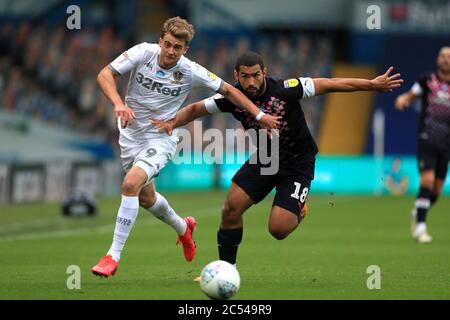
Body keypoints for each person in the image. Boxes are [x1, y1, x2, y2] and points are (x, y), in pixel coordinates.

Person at [152, 51, 403, 268]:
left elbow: (329, 83)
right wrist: (172, 122)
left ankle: (298, 209)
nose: (251, 81)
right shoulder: (232, 97)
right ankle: (227, 269)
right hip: (266, 157)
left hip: (298, 162)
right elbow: (196, 109)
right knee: (230, 209)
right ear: (236, 75)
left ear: (265, 72)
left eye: (256, 75)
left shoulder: (286, 88)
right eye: (245, 76)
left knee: (278, 230)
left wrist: (371, 84)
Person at [91, 19, 280, 277]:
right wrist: (117, 103)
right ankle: (183, 227)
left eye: (177, 47)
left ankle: (112, 256)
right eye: (167, 44)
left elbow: (228, 90)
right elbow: (105, 74)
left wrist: (258, 116)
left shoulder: (191, 70)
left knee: (129, 185)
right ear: (160, 41)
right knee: (145, 198)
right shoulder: (142, 52)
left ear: (185, 50)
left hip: (161, 137)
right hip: (129, 136)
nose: (170, 51)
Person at [395, 46, 450, 244]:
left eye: (448, 57)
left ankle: (418, 210)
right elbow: (410, 95)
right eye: (442, 56)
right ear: (437, 60)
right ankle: (420, 228)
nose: (445, 60)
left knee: (436, 191)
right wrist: (403, 99)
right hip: (426, 138)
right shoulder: (427, 80)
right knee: (426, 182)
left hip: (446, 144)